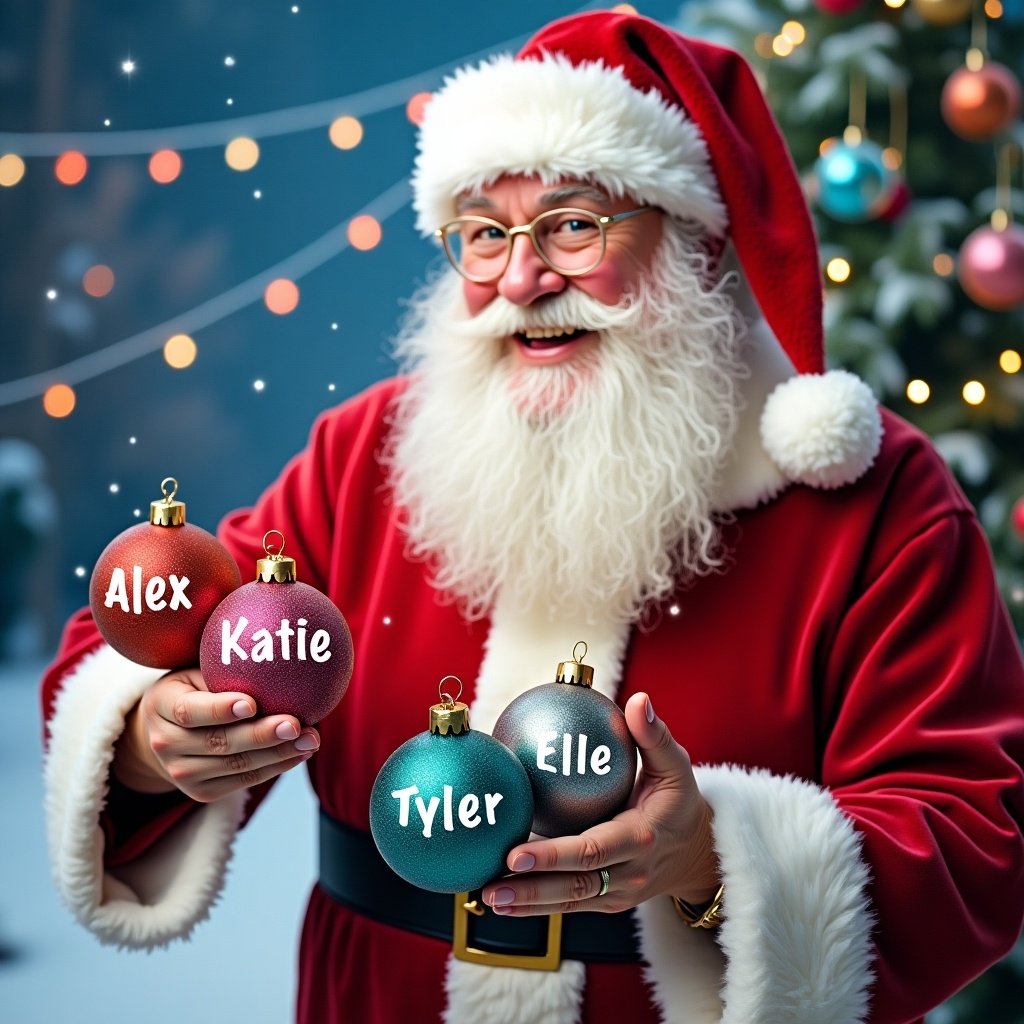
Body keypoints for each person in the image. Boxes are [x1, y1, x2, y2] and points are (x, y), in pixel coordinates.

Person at [40, 11, 1024, 1024]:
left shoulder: (873, 500)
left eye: (571, 224)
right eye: (481, 234)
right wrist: (159, 731)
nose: (520, 279)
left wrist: (711, 859)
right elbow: (170, 628)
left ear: (699, 239)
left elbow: (972, 829)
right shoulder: (366, 452)